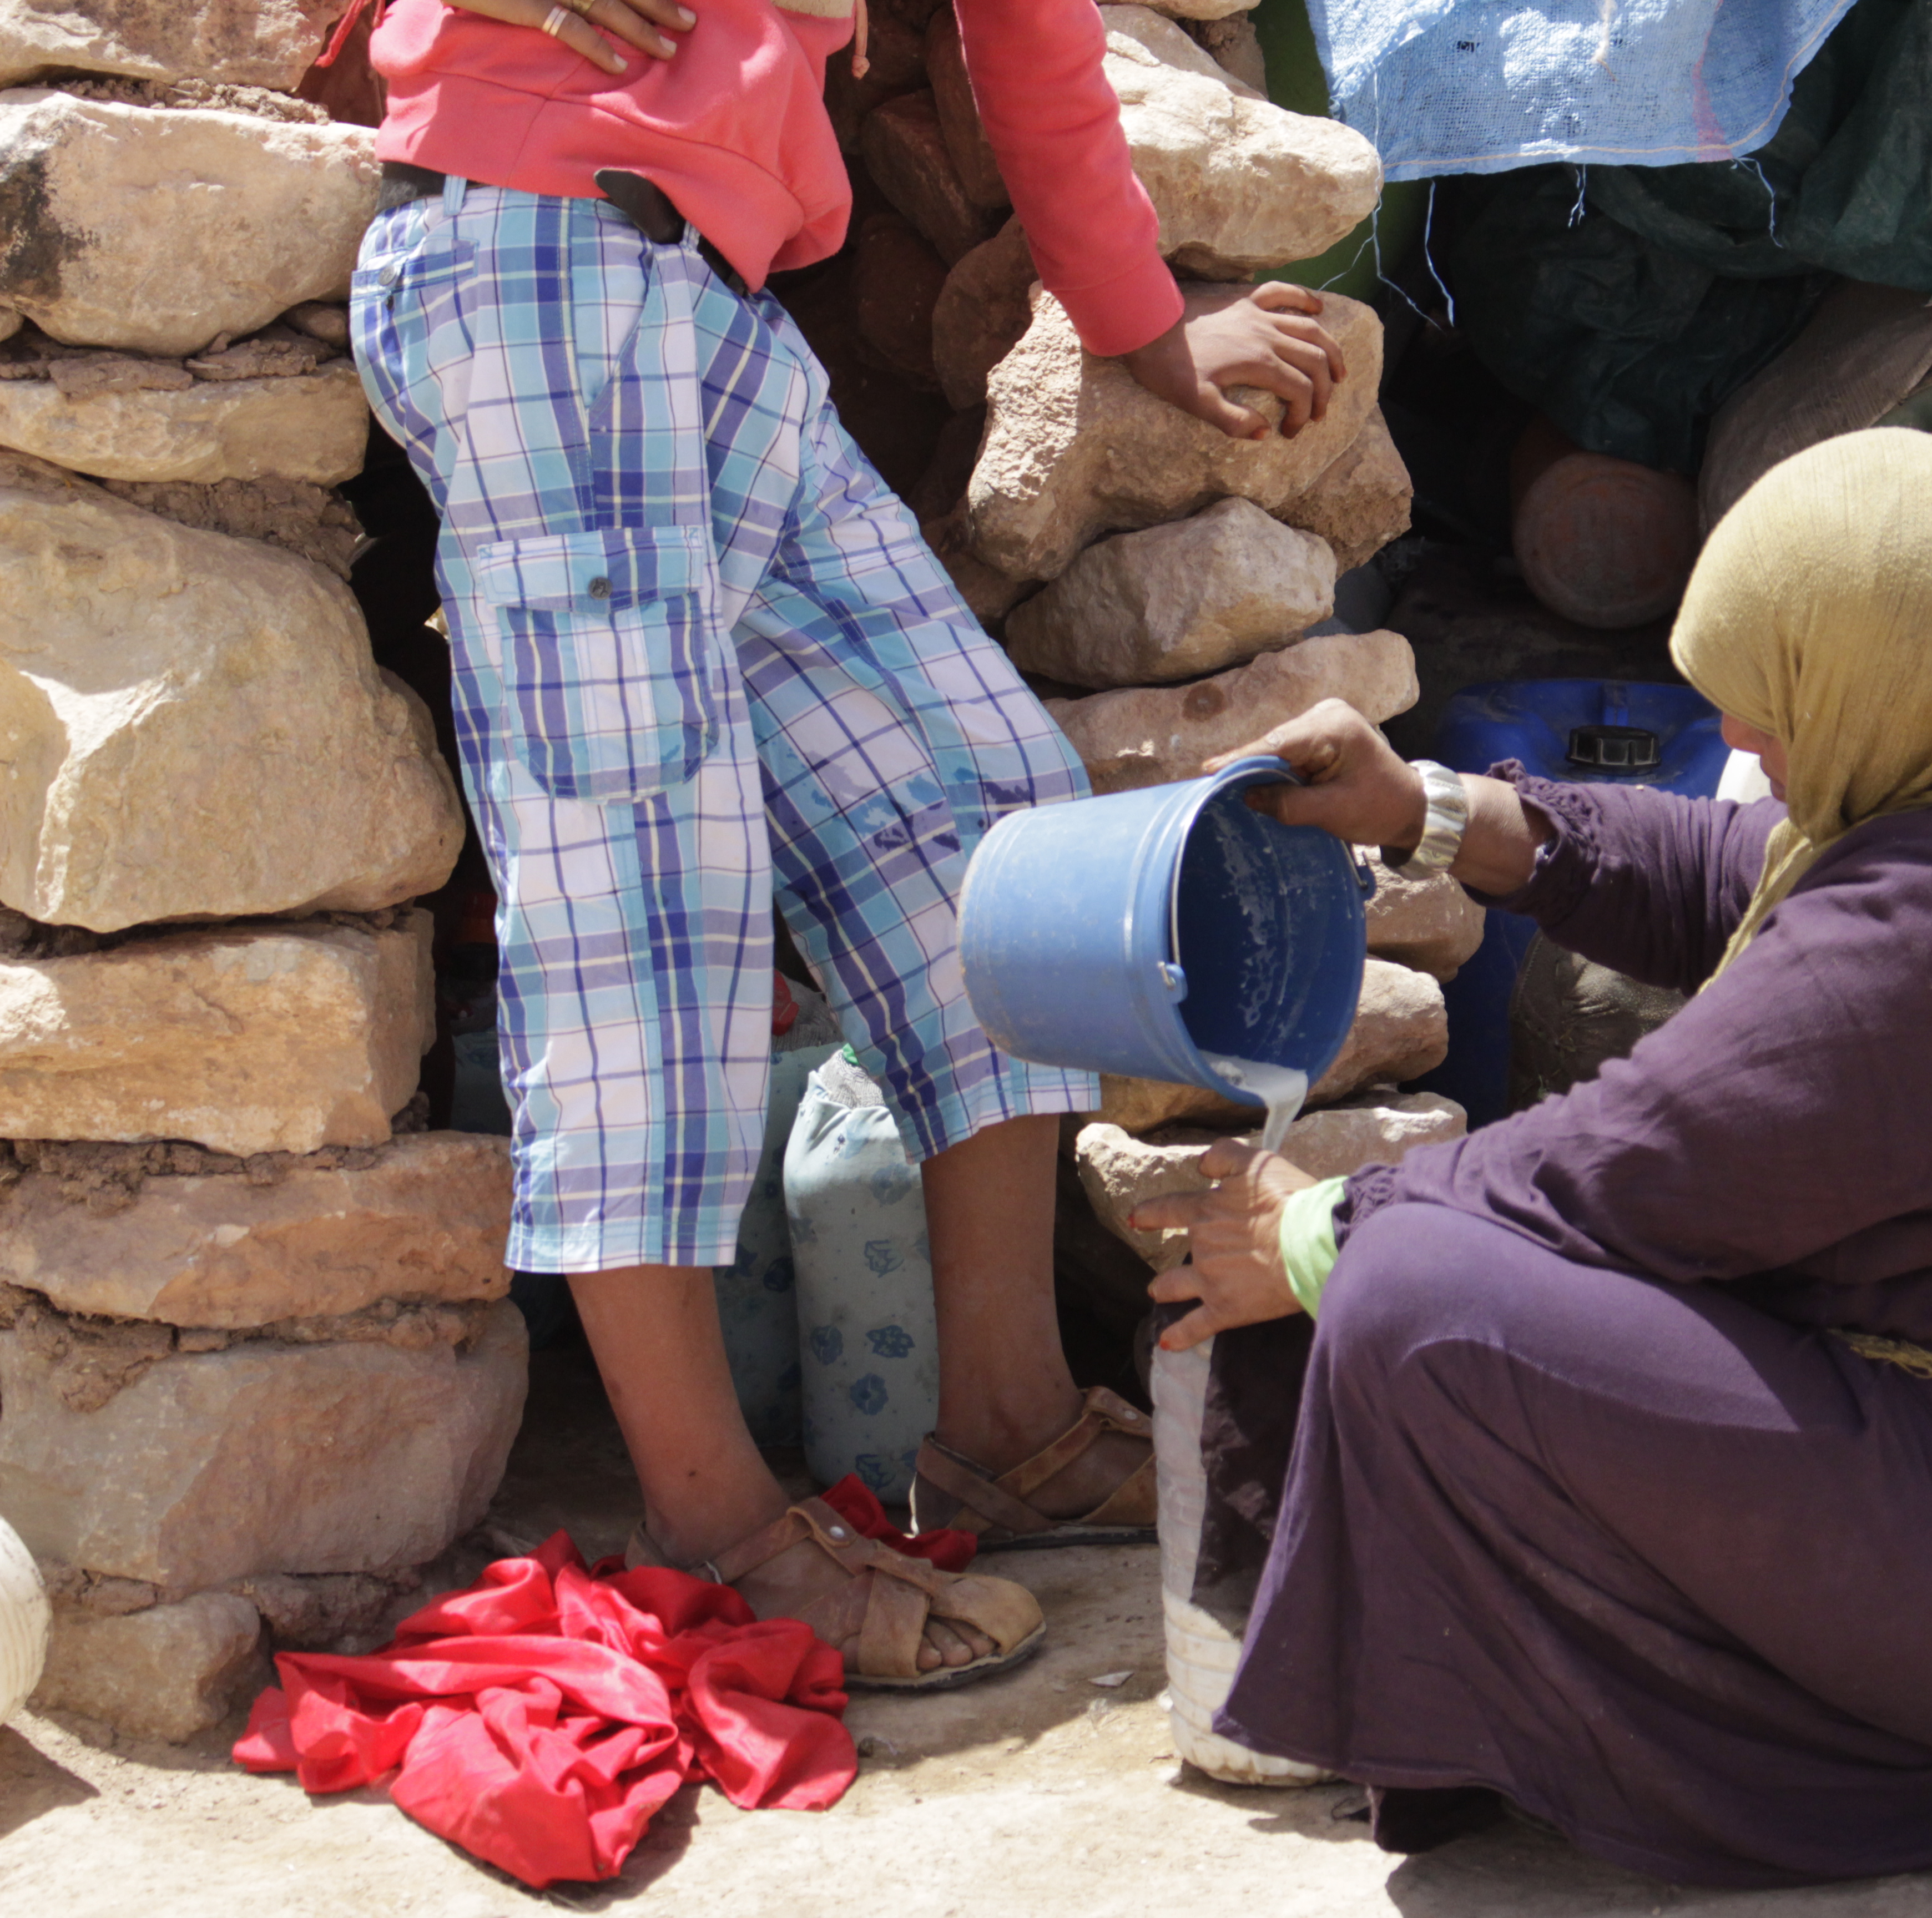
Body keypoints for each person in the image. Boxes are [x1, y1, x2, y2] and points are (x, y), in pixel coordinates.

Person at [1135, 431, 1932, 1883]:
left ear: (1910, 671)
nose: (1751, 750)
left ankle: (1560, 1726)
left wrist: (1322, 1228)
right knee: (1426, 1259)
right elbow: (1733, 868)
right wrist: (1422, 811)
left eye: (1775, 708)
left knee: (1414, 1300)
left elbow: (1631, 1165)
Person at [352, 0, 1344, 1685]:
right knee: (649, 896)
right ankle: (713, 1517)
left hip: (716, 312)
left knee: (990, 810)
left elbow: (1032, 43)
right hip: (537, 263)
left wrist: (1143, 317)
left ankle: (1006, 1426)